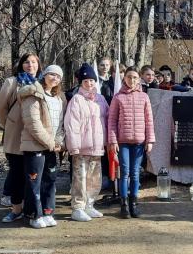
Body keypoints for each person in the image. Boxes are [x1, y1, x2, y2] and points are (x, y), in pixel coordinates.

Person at [18, 65, 66, 228]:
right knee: (34, 182)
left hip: (51, 147)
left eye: (58, 76)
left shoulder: (59, 98)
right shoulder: (33, 94)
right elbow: (33, 124)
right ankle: (34, 215)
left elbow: (60, 124)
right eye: (51, 74)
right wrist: (50, 142)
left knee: (50, 181)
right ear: (44, 75)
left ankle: (47, 212)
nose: (55, 78)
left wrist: (58, 141)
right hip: (34, 146)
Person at [0, 53, 42, 223]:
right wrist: (9, 122)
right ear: (21, 64)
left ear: (38, 64)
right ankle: (16, 209)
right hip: (16, 134)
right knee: (16, 173)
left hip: (36, 135)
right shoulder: (12, 82)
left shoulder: (41, 82)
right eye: (26, 62)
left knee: (33, 175)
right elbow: (1, 107)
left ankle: (31, 209)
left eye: (33, 62)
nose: (30, 65)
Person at [64, 63, 109, 222]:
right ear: (80, 83)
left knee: (94, 178)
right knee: (80, 179)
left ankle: (90, 204)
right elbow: (71, 124)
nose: (89, 84)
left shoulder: (101, 99)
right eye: (85, 81)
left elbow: (107, 120)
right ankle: (78, 207)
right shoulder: (76, 99)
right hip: (81, 148)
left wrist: (108, 141)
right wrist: (74, 146)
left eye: (91, 80)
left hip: (97, 147)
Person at [108, 66, 155, 218]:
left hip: (139, 142)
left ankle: (134, 204)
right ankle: (124, 205)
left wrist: (150, 140)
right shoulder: (118, 97)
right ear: (124, 78)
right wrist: (113, 141)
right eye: (129, 77)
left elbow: (149, 120)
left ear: (139, 78)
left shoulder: (144, 97)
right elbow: (112, 121)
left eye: (135, 77)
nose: (132, 80)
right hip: (123, 142)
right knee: (125, 173)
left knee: (135, 174)